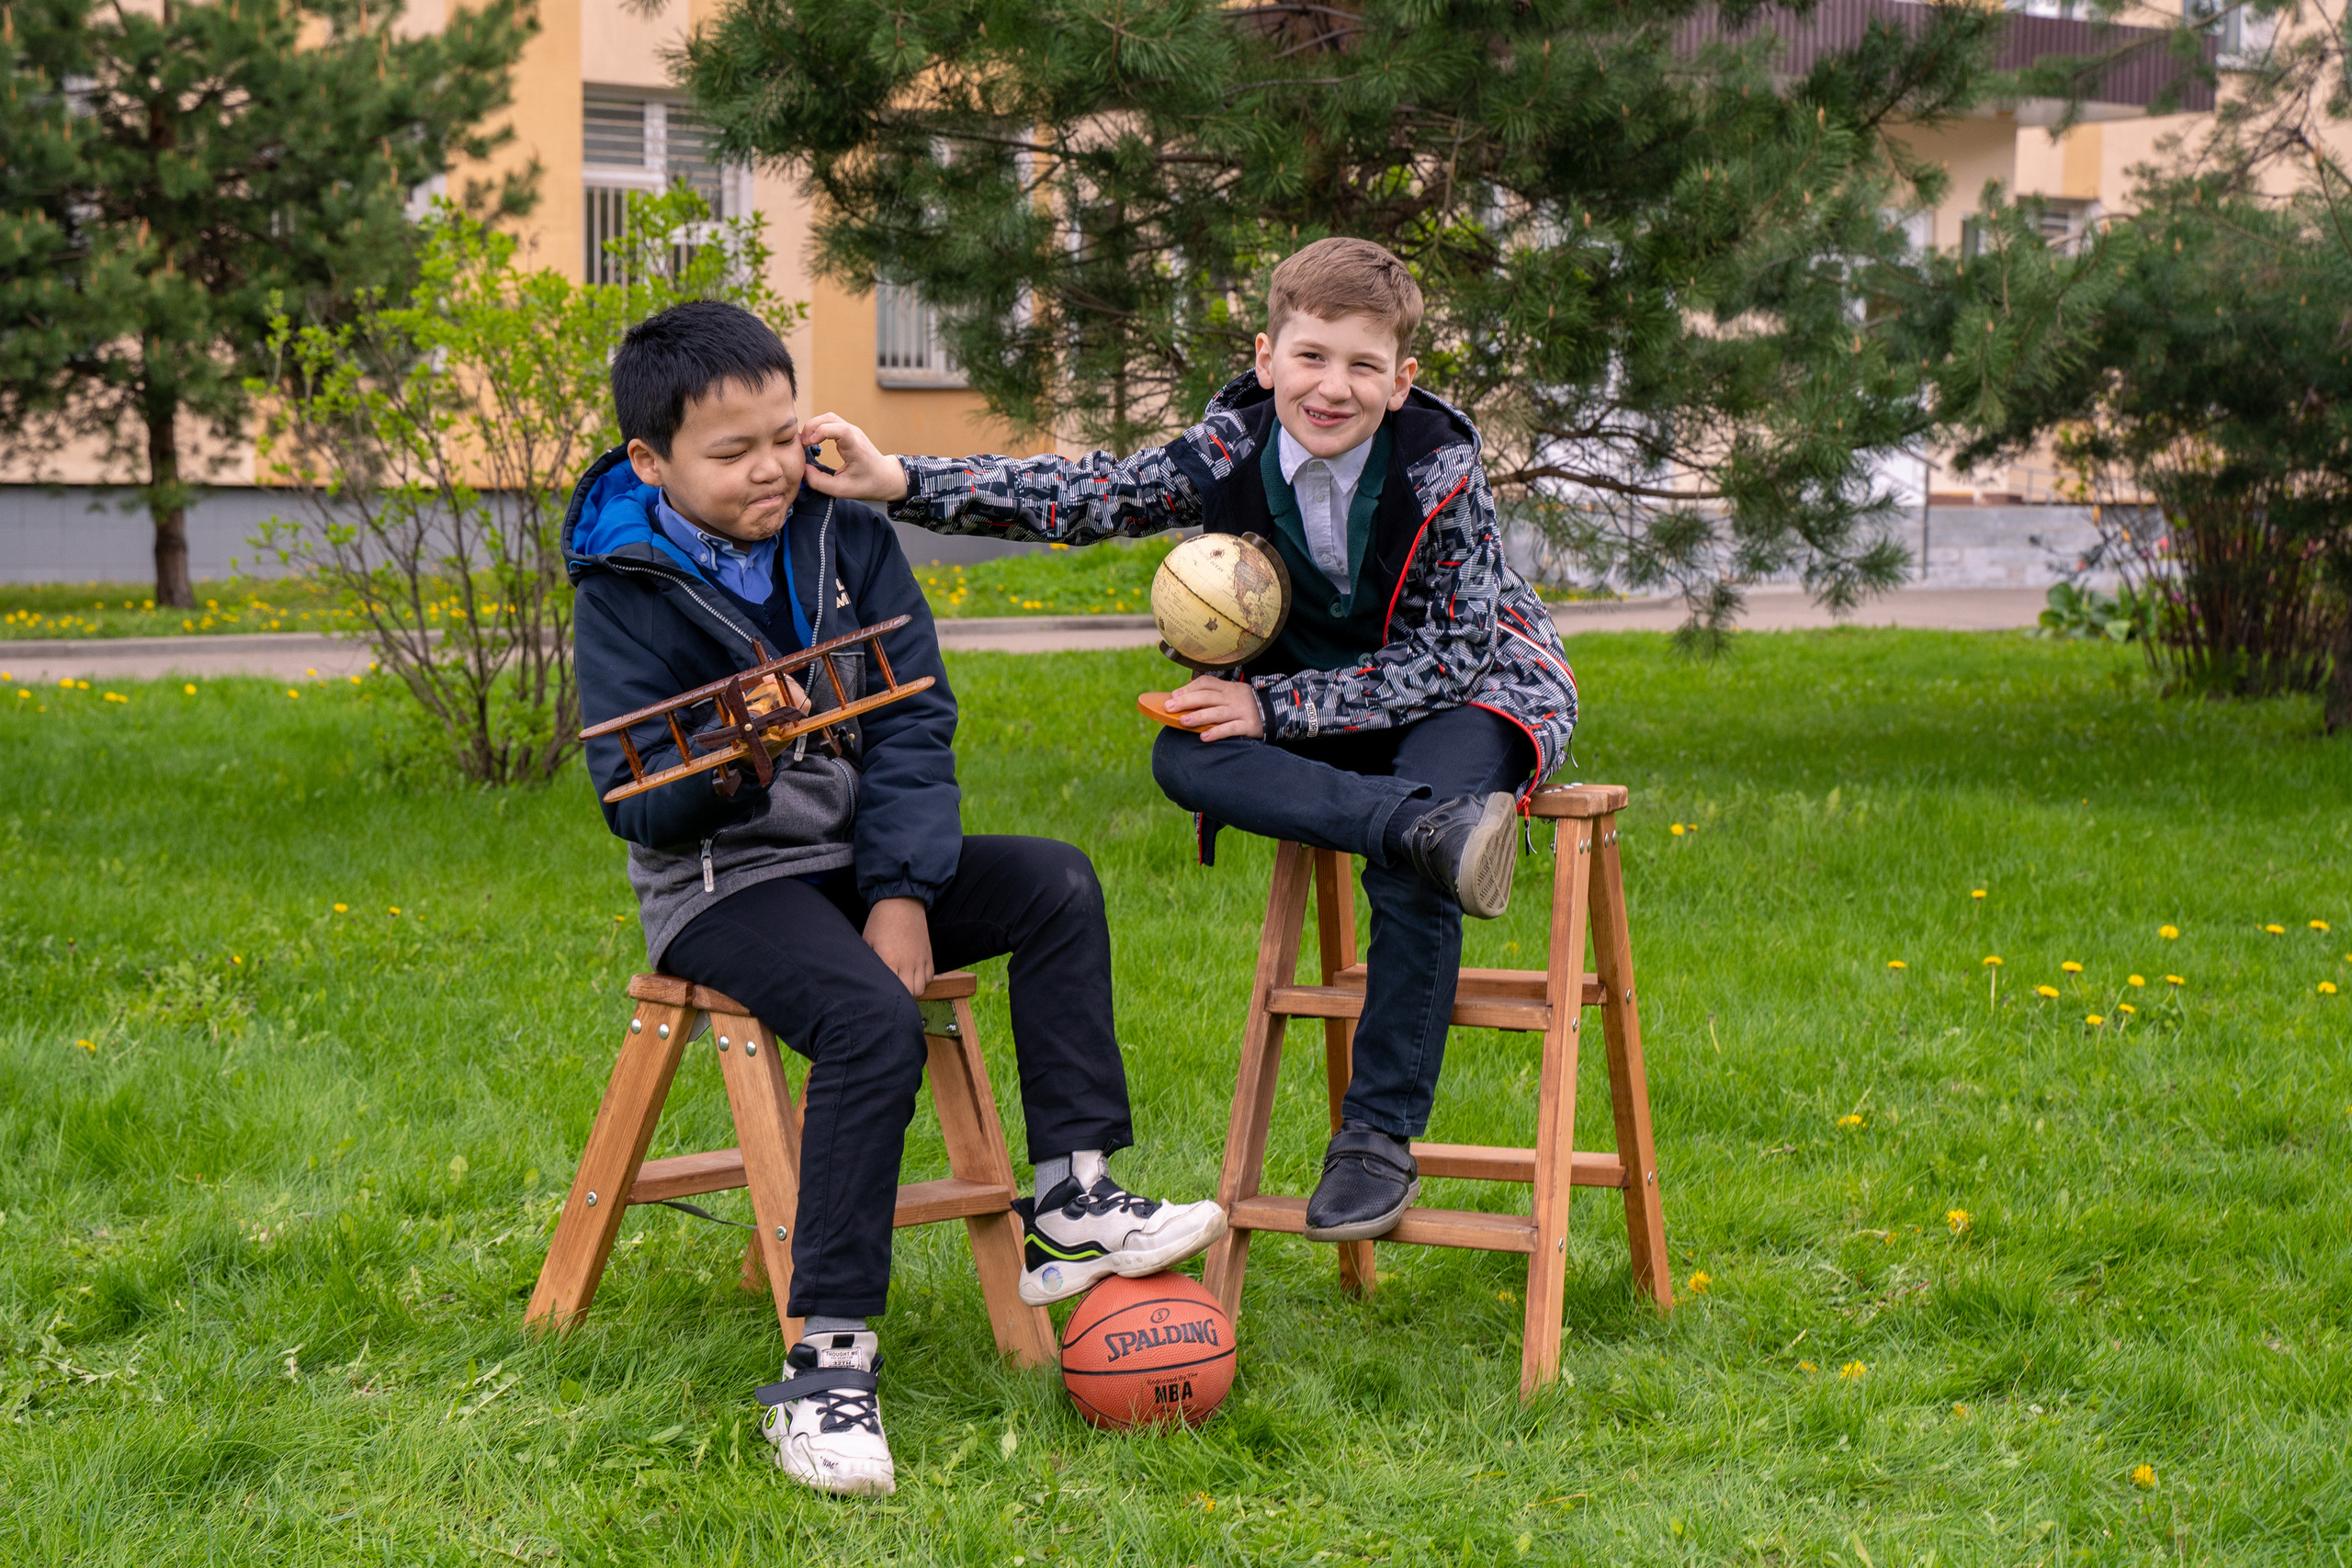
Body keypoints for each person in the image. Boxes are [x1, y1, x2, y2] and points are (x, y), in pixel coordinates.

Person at [564, 300, 1226, 1498]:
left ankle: (1072, 1197)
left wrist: (904, 889)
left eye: (782, 432)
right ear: (651, 463)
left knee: (1056, 881)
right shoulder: (622, 582)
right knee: (872, 1018)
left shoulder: (840, 534)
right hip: (722, 884)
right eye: (733, 451)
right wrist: (735, 752)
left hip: (859, 860)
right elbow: (634, 800)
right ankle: (825, 1364)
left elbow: (914, 717)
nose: (770, 467)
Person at [802, 237, 1580, 1252]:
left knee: (1412, 850)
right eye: (1310, 357)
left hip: (1465, 695)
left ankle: (1376, 1136)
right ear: (1265, 359)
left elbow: (1447, 656)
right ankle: (1421, 827)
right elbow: (1088, 496)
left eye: (1361, 365)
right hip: (1323, 705)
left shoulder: (1442, 467)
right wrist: (899, 477)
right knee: (1186, 755)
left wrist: (1274, 711)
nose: (1332, 387)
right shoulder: (1227, 448)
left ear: (1402, 381)